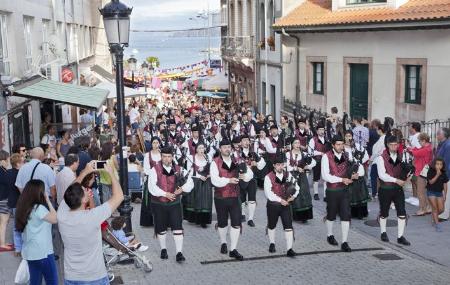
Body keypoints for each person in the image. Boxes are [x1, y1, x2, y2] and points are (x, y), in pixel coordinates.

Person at [57, 162, 123, 284]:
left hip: (71, 276)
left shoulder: (62, 214)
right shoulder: (93, 216)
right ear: (84, 200)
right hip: (94, 276)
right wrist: (111, 174)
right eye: (84, 191)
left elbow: (69, 191)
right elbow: (119, 196)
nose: (86, 190)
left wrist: (85, 172)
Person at [148, 146, 194, 262]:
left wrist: (182, 189)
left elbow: (190, 183)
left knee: (177, 227)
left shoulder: (179, 169)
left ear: (172, 157)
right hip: (159, 203)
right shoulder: (155, 169)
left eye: (169, 157)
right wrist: (165, 194)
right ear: (161, 157)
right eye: (164, 156)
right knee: (161, 228)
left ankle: (179, 253)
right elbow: (151, 187)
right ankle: (163, 249)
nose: (167, 159)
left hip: (175, 204)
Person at [210, 139, 252, 261]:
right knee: (222, 223)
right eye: (225, 147)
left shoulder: (237, 160)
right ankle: (223, 242)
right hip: (220, 197)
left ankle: (233, 249)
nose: (227, 149)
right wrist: (228, 180)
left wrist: (245, 176)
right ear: (220, 149)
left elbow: (249, 173)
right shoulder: (215, 162)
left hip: (235, 196)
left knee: (236, 223)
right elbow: (214, 180)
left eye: (229, 147)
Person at [321, 135, 360, 252]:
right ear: (333, 145)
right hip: (332, 190)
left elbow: (350, 171)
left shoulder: (346, 155)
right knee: (331, 215)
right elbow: (325, 176)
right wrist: (341, 179)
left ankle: (344, 242)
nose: (340, 146)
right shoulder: (326, 156)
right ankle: (330, 235)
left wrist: (353, 175)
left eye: (342, 144)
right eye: (338, 144)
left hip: (344, 190)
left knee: (345, 215)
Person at [15, 180, 58, 285]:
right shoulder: (39, 208)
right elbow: (55, 219)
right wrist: (48, 200)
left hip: (30, 253)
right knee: (52, 281)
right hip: (44, 252)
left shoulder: (23, 207)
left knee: (35, 282)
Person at [376, 135, 411, 246]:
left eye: (396, 144)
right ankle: (383, 232)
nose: (394, 147)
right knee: (384, 212)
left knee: (402, 212)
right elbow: (382, 175)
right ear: (387, 145)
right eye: (391, 145)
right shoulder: (381, 158)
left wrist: (408, 176)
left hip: (398, 189)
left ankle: (400, 236)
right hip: (385, 188)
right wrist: (396, 180)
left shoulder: (402, 156)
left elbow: (406, 170)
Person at [264, 155, 299, 257]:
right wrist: (280, 200)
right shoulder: (268, 177)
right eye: (278, 165)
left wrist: (294, 196)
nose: (280, 167)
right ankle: (272, 243)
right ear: (274, 166)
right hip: (273, 205)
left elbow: (297, 187)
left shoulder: (288, 175)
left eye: (282, 165)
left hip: (286, 205)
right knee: (272, 225)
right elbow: (268, 193)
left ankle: (289, 249)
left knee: (288, 226)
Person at [286, 137, 316, 222]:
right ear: (292, 144)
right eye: (295, 143)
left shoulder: (304, 153)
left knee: (304, 194)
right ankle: (294, 215)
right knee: (293, 194)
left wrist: (308, 166)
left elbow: (314, 162)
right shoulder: (288, 154)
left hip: (302, 177)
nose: (297, 145)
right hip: (292, 176)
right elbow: (287, 166)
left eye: (298, 143)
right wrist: (296, 168)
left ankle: (304, 217)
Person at [185, 142, 214, 228]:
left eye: (203, 148)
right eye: (200, 148)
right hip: (196, 182)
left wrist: (209, 175)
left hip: (206, 183)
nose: (202, 150)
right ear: (196, 149)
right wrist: (199, 176)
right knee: (196, 201)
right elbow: (188, 172)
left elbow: (212, 169)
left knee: (205, 202)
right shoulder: (191, 158)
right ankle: (194, 219)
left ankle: (204, 221)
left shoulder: (208, 157)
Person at [343, 131, 370, 219]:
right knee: (350, 194)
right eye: (346, 136)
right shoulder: (342, 147)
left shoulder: (358, 146)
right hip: (348, 171)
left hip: (359, 170)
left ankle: (361, 213)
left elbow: (366, 155)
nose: (348, 138)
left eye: (350, 136)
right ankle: (351, 213)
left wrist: (360, 161)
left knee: (360, 193)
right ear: (344, 137)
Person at [408, 133, 433, 216]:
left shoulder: (426, 149)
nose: (418, 142)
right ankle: (428, 207)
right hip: (425, 171)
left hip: (422, 172)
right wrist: (412, 148)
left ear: (423, 140)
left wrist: (409, 148)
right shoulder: (428, 148)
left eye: (419, 141)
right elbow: (417, 150)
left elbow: (415, 153)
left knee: (420, 192)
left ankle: (422, 209)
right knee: (425, 191)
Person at [141, 137, 162, 227]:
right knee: (150, 201)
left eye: (157, 143)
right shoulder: (147, 155)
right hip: (151, 180)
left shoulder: (162, 154)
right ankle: (150, 220)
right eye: (154, 142)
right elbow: (146, 169)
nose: (155, 144)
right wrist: (155, 174)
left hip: (161, 181)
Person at [7, 154, 25, 256]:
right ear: (18, 163)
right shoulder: (21, 174)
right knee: (22, 225)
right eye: (22, 162)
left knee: (15, 226)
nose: (24, 163)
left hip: (11, 202)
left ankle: (18, 248)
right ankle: (22, 248)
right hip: (20, 202)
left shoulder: (8, 173)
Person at [426, 158, 448, 232]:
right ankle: (437, 224)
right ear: (434, 164)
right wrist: (437, 175)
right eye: (437, 164)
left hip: (439, 193)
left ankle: (434, 216)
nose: (439, 166)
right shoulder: (430, 171)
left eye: (440, 164)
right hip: (431, 192)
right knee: (435, 208)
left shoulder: (444, 173)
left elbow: (445, 184)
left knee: (442, 209)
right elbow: (431, 182)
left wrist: (445, 194)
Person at [309, 123, 328, 201]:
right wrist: (320, 153)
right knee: (316, 178)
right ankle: (316, 193)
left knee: (325, 177)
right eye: (320, 130)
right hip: (317, 160)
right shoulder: (313, 140)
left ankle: (325, 195)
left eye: (323, 129)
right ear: (317, 131)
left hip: (325, 161)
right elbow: (310, 152)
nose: (322, 131)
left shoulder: (327, 139)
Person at [436, 128, 450, 221]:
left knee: (447, 195)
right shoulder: (442, 144)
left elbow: (447, 161)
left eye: (438, 134)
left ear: (443, 135)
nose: (436, 135)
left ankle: (444, 215)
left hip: (446, 173)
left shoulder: (448, 145)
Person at [0, 150, 11, 252]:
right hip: (3, 199)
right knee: (4, 221)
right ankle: (2, 244)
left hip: (2, 198)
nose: (8, 161)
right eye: (7, 159)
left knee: (3, 222)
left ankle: (2, 242)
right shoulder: (2, 171)